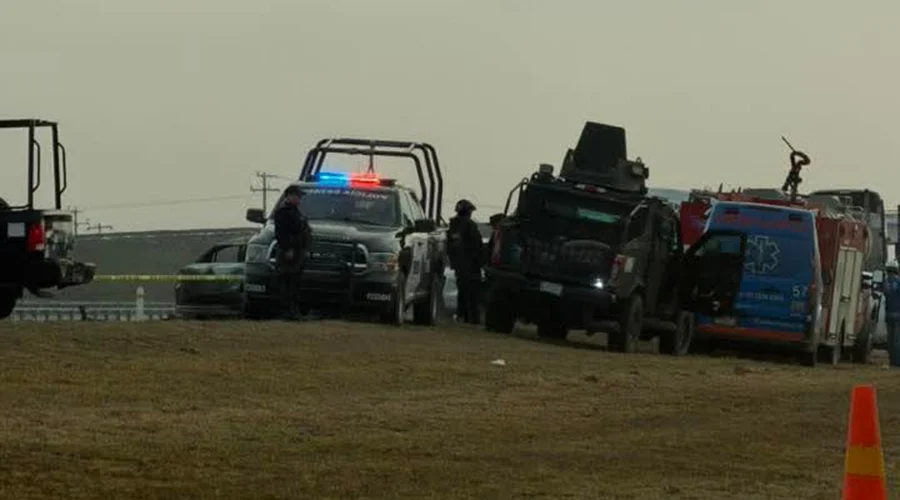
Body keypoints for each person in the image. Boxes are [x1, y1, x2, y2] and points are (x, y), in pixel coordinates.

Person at [273, 185, 312, 320]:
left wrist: (305, 248)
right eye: (297, 196)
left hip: (298, 252)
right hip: (288, 253)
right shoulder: (282, 213)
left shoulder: (296, 212)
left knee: (295, 283)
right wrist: (287, 249)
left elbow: (303, 231)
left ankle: (294, 311)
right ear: (289, 196)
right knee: (286, 282)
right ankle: (286, 312)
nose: (299, 199)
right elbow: (281, 234)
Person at [447, 199, 484, 324]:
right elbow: (476, 246)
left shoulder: (453, 226)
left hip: (459, 265)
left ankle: (462, 316)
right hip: (471, 265)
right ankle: (472, 319)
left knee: (462, 291)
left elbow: (450, 247)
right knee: (473, 294)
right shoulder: (470, 226)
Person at [883, 260, 900, 366]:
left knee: (890, 341)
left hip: (888, 315)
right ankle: (897, 362)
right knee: (897, 340)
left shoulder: (885, 282)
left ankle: (892, 361)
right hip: (898, 315)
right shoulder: (898, 282)